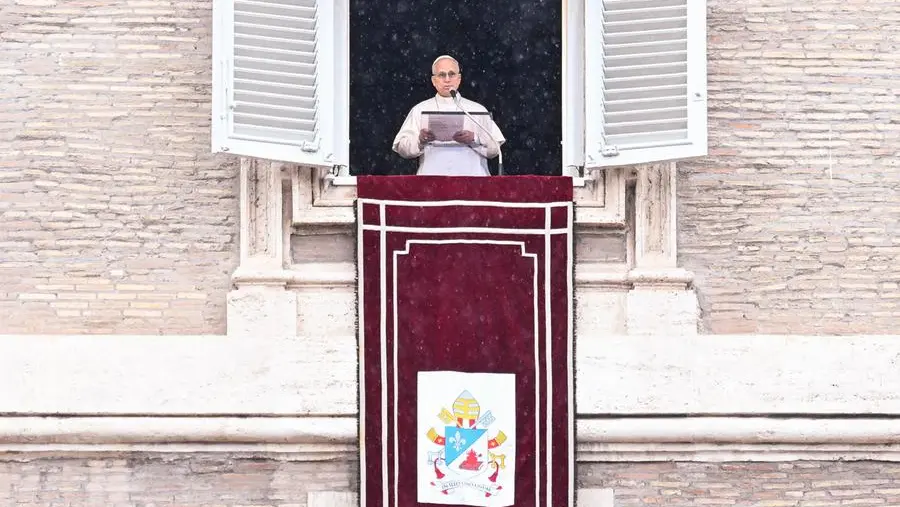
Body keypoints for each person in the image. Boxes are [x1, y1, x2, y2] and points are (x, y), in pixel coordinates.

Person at [392, 55, 505, 176]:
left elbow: (495, 150)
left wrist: (474, 138)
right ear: (433, 81)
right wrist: (420, 140)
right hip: (431, 184)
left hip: (473, 184)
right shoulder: (419, 110)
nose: (447, 79)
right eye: (441, 75)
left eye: (451, 74)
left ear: (459, 79)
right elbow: (402, 149)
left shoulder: (477, 110)